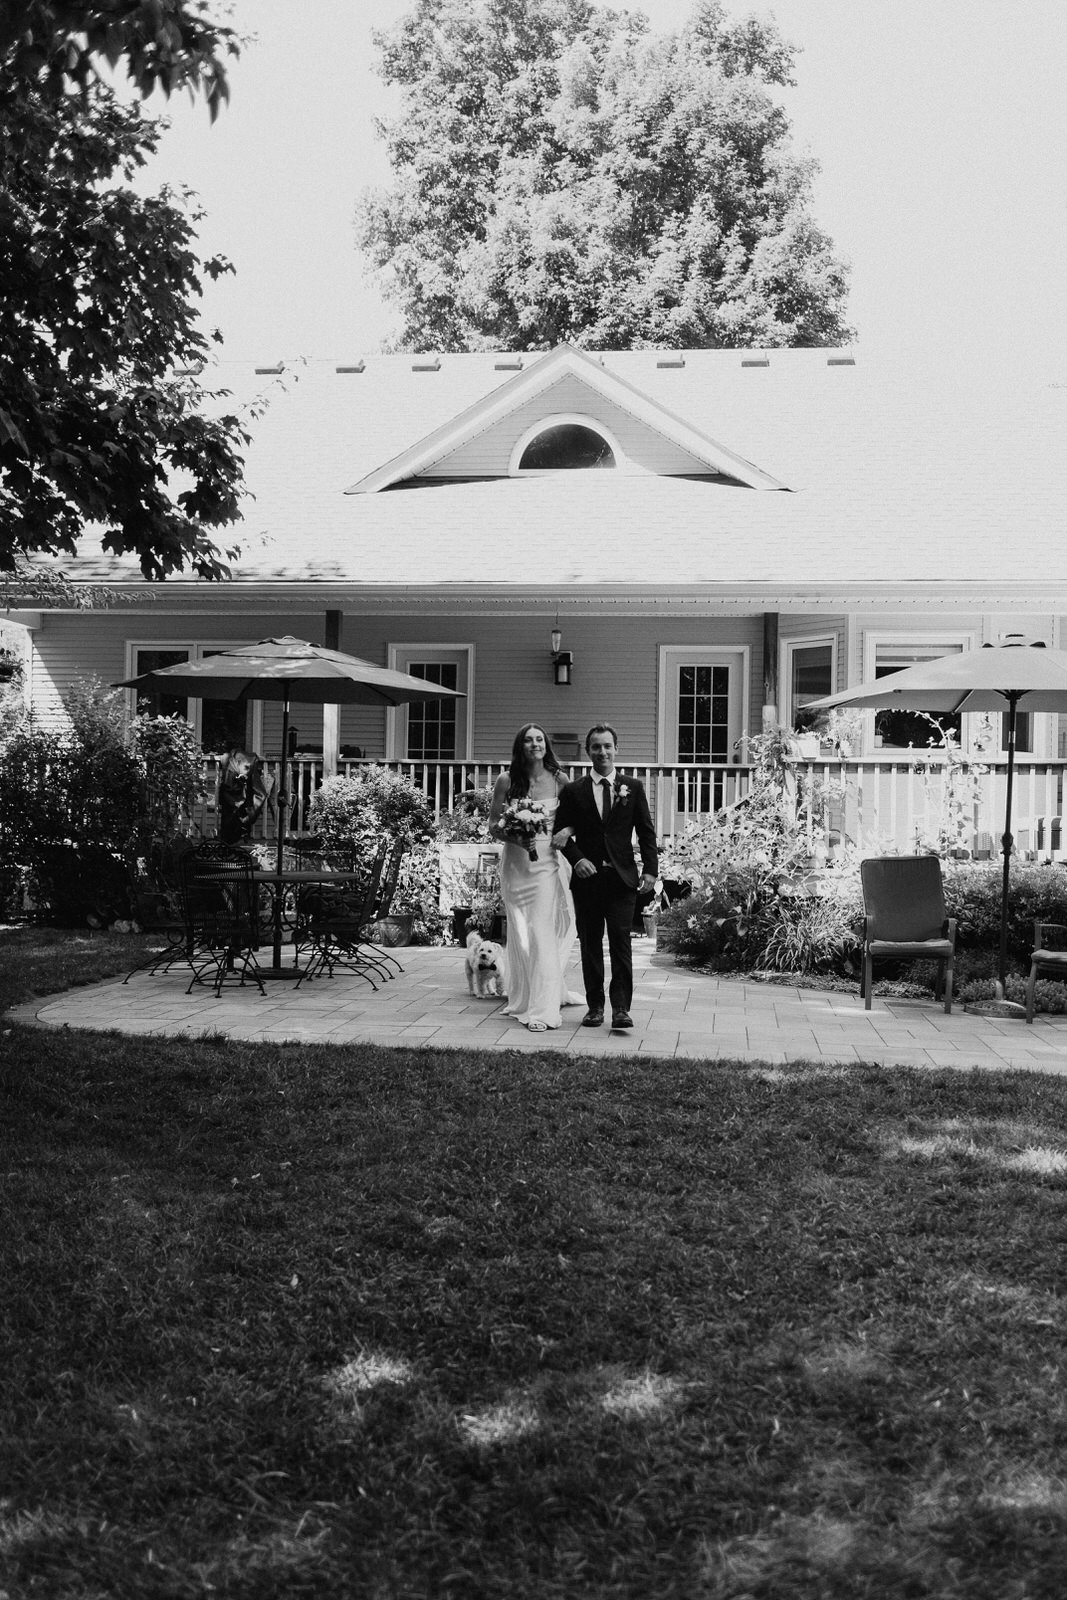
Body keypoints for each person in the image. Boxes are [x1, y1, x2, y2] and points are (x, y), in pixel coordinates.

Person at [552, 723, 658, 1031]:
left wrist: (650, 869)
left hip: (622, 879)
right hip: (587, 880)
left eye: (607, 746)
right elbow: (561, 833)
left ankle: (621, 1008)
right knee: (590, 945)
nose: (602, 752)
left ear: (616, 749)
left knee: (621, 943)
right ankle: (595, 1006)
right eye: (596, 747)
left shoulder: (633, 787)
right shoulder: (573, 791)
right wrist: (578, 859)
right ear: (588, 752)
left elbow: (647, 832)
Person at [488, 723, 585, 1031]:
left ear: (546, 745)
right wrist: (516, 837)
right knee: (521, 935)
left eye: (539, 739)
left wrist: (564, 833)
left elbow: (573, 823)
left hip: (546, 864)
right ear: (521, 746)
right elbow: (493, 824)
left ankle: (543, 1011)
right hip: (516, 866)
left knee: (540, 932)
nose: (534, 744)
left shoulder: (560, 779)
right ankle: (527, 997)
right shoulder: (506, 780)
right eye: (528, 740)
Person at [217, 746, 277, 844]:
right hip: (233, 806)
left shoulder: (243, 768)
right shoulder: (231, 765)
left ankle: (235, 837)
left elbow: (260, 794)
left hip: (241, 807)